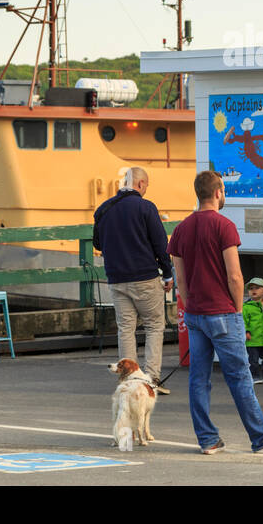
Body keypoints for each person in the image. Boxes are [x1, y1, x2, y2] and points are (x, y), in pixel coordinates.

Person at [168, 170, 263, 455]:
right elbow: (235, 276)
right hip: (223, 313)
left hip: (195, 314)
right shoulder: (224, 226)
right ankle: (261, 437)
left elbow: (180, 278)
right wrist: (237, 310)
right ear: (218, 192)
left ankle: (207, 439)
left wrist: (190, 306)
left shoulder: (181, 229)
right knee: (240, 376)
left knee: (198, 378)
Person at [94, 167, 174, 393]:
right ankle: (151, 379)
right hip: (145, 277)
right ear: (140, 184)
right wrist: (167, 273)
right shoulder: (146, 208)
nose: (146, 190)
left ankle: (129, 380)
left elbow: (98, 244)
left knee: (126, 328)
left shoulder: (103, 209)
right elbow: (160, 243)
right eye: (146, 186)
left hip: (116, 279)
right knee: (154, 325)